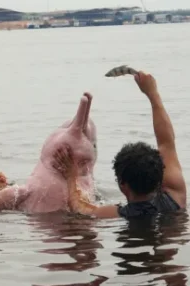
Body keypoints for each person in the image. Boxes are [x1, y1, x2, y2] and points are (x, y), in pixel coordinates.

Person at [52, 70, 186, 219]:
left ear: (122, 185)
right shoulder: (176, 196)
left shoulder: (116, 214)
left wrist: (71, 175)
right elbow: (166, 142)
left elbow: (79, 207)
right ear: (161, 175)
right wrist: (153, 95)